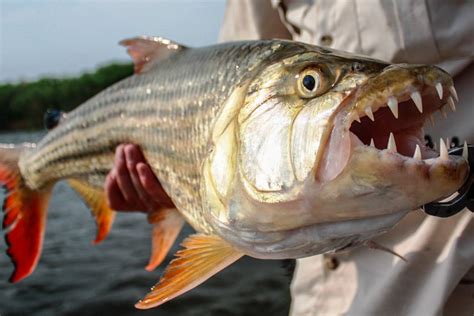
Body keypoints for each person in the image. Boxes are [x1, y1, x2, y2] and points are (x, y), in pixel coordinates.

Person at [106, 0, 474, 314]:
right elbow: (236, 75)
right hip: (317, 290)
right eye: (310, 83)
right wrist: (173, 185)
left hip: (452, 274)